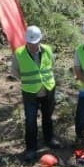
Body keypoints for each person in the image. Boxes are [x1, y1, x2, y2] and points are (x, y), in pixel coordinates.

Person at [14, 25, 57, 159]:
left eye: (35, 42)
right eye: (30, 43)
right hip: (30, 92)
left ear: (40, 40)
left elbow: (52, 65)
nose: (33, 45)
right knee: (31, 121)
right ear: (26, 41)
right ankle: (31, 148)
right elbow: (15, 72)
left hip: (48, 89)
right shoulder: (19, 53)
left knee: (47, 117)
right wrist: (29, 80)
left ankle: (49, 140)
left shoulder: (48, 50)